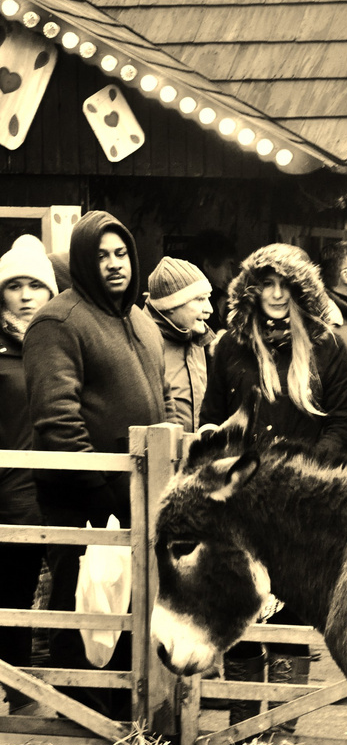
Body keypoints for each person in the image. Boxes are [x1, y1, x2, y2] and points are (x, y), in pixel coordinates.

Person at [23, 210, 176, 717]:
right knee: (82, 605)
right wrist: (103, 489)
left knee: (131, 608)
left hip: (144, 493)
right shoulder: (58, 322)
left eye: (121, 254)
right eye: (101, 256)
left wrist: (168, 459)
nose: (114, 265)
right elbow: (56, 418)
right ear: (84, 262)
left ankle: (122, 716)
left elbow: (165, 394)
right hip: (85, 504)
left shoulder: (139, 318)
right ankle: (80, 717)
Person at [200, 242, 347, 721]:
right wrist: (215, 439)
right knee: (243, 600)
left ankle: (284, 718)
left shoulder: (328, 345)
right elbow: (211, 414)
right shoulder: (230, 345)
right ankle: (244, 722)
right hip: (244, 498)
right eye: (265, 284)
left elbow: (342, 423)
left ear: (300, 289)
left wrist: (302, 470)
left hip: (299, 501)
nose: (274, 294)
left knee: (293, 605)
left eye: (285, 285)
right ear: (251, 289)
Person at [0, 236, 58, 703]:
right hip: (13, 498)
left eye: (33, 286)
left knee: (69, 600)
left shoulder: (61, 347)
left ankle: (71, 696)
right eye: (14, 285)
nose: (24, 296)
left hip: (65, 495)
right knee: (14, 597)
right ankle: (18, 697)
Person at [143, 257, 213, 431]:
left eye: (208, 298)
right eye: (199, 300)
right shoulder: (141, 342)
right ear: (171, 305)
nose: (209, 309)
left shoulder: (196, 336)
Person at [186, 229, 237, 334]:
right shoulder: (203, 300)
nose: (230, 275)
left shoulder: (220, 297)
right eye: (227, 265)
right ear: (207, 265)